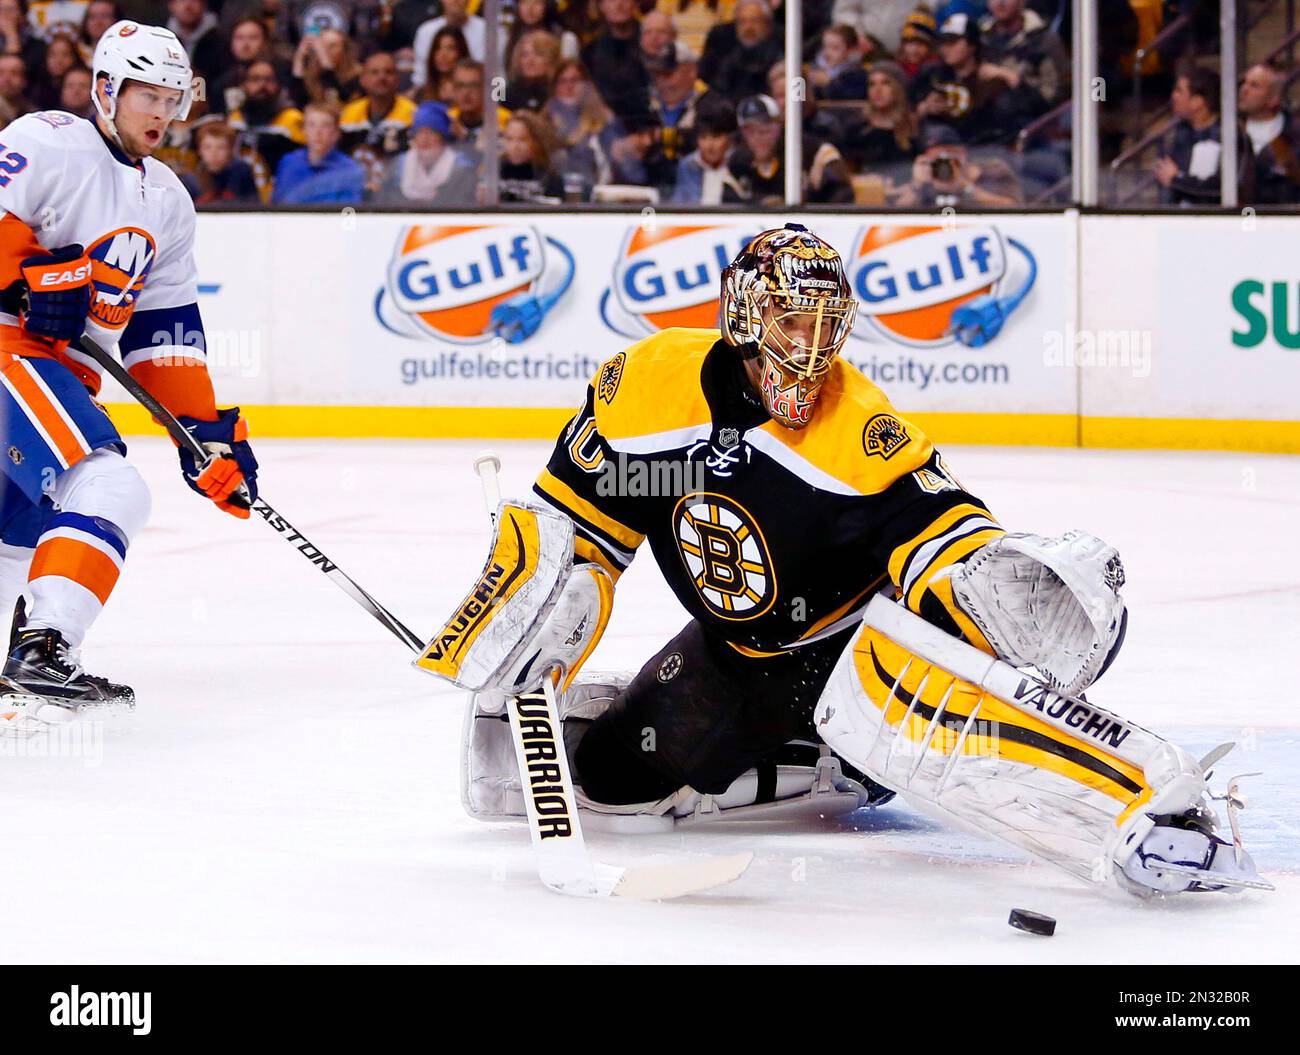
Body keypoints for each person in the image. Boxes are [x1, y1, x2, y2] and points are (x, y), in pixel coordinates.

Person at [435, 222, 1266, 898]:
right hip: (741, 652)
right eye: (796, 322)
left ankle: (1153, 810)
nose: (816, 345)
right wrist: (536, 598)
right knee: (611, 782)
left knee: (887, 691)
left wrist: (993, 581)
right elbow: (578, 522)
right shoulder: (645, 388)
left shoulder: (857, 431)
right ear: (746, 315)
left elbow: (945, 539)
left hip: (853, 650)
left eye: (830, 324)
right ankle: (818, 760)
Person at [0, 19, 258, 718]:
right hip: (7, 353)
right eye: (149, 95)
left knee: (22, 537)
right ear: (107, 88)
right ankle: (43, 649)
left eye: (175, 99)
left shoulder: (169, 200)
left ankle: (22, 663)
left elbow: (162, 330)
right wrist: (21, 281)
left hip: (61, 374)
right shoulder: (45, 140)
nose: (164, 113)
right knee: (110, 486)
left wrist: (202, 431)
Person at [729, 92, 853, 204]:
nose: (758, 137)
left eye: (764, 130)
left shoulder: (809, 150)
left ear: (779, 125)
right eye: (750, 131)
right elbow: (729, 200)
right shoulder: (737, 162)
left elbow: (842, 192)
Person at [890, 120, 1021, 206]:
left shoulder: (992, 170)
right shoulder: (923, 175)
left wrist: (966, 188)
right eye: (937, 157)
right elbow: (894, 216)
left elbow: (1015, 209)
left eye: (950, 154)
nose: (944, 163)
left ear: (963, 153)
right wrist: (917, 185)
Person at [379, 98, 478, 204]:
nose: (424, 139)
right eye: (420, 132)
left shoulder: (461, 170)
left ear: (443, 138)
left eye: (432, 132)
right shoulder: (398, 167)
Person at [270, 100, 365, 203]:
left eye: (325, 125)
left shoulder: (350, 170)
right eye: (311, 125)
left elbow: (348, 212)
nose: (318, 132)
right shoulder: (288, 163)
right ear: (304, 130)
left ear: (337, 132)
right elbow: (277, 205)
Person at [1155, 66, 1222, 206]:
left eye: (1179, 91)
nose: (1173, 96)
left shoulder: (1228, 137)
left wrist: (1176, 181)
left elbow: (1223, 188)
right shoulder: (1179, 134)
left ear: (1198, 101)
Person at [226, 58, 305, 173]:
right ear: (244, 85)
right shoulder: (236, 118)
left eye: (269, 80)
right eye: (255, 79)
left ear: (278, 85)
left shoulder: (291, 118)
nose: (262, 85)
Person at [1237, 63, 1300, 206]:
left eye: (1254, 85)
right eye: (1244, 82)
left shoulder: (1294, 135)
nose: (1244, 89)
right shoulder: (1230, 131)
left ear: (1274, 99)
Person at [669, 93, 743, 203]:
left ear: (730, 138)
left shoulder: (742, 164)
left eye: (716, 137)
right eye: (703, 137)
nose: (709, 145)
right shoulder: (688, 166)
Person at [181, 119, 260, 203]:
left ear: (230, 150)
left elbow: (253, 205)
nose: (214, 153)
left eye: (221, 147)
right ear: (199, 150)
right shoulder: (189, 181)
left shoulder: (242, 173)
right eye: (207, 147)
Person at [496, 110, 563, 202]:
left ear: (536, 142)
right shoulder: (494, 172)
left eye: (523, 140)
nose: (515, 146)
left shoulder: (550, 177)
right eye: (509, 139)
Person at [417, 24, 468, 104]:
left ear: (461, 52)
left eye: (450, 48)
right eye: (438, 48)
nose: (443, 55)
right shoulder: (422, 93)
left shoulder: (474, 93)